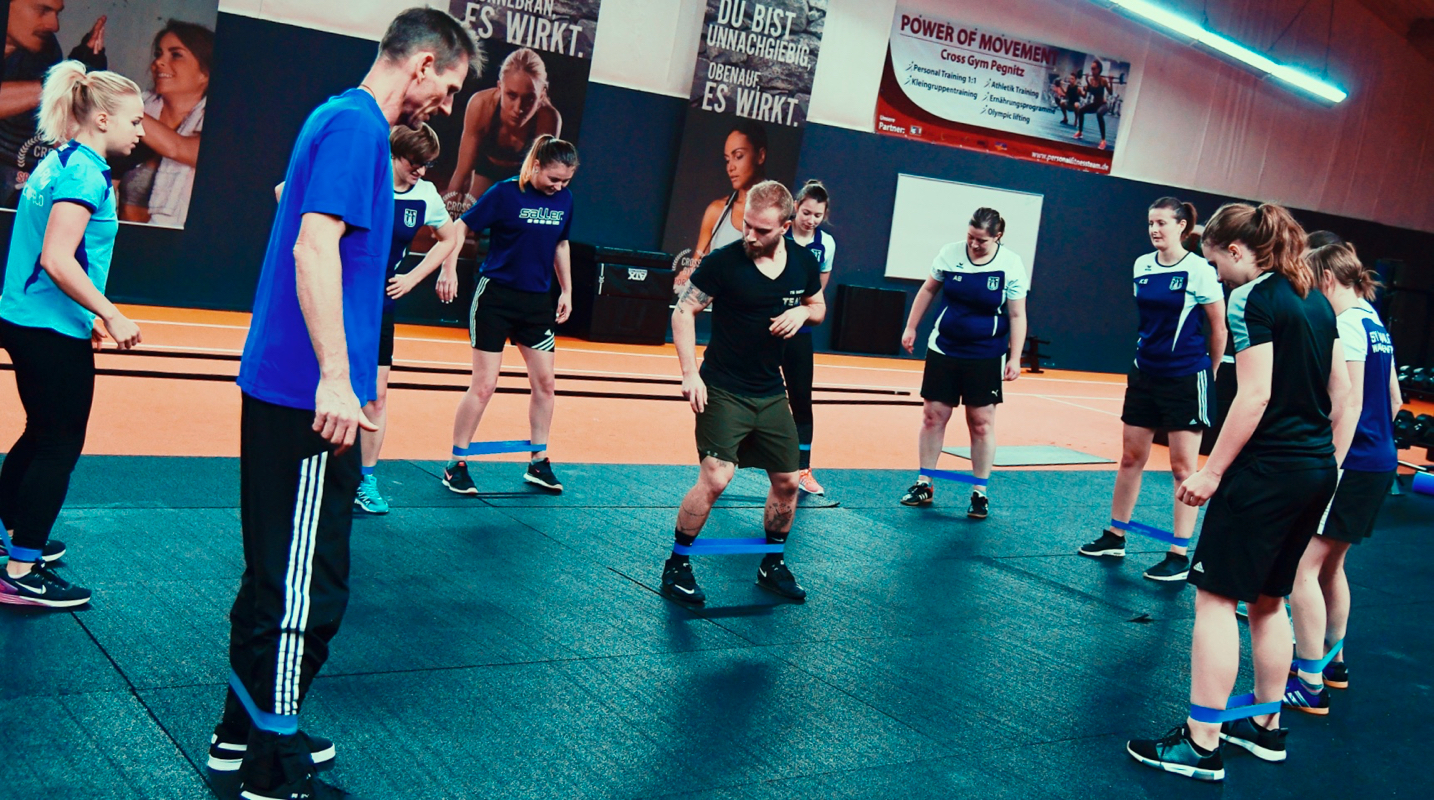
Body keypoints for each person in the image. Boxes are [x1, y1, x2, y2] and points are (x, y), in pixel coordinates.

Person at [209, 10, 476, 799]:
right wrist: (335, 376)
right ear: (422, 65)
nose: (447, 107)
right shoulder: (361, 128)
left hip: (297, 386)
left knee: (276, 578)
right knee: (304, 588)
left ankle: (242, 734)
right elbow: (313, 244)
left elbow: (295, 206)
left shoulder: (336, 117)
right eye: (450, 88)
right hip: (307, 395)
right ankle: (273, 763)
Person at [1126, 203, 1355, 782]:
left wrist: (1212, 472)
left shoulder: (1251, 298)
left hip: (1266, 474)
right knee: (1270, 600)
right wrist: (1319, 465)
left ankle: (1201, 744)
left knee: (1217, 599)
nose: (1217, 274)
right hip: (1312, 471)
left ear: (1235, 251)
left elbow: (1253, 397)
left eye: (1215, 261)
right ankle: (1265, 727)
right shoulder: (1314, 298)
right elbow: (1343, 396)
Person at [0, 61, 143, 608]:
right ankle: (20, 569)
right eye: (134, 120)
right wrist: (110, 314)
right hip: (46, 326)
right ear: (103, 118)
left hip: (29, 318)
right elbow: (59, 259)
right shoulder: (87, 172)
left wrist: (87, 317)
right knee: (59, 444)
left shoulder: (56, 159)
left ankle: (12, 535)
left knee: (41, 433)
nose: (139, 129)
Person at [662, 180, 825, 605]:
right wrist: (689, 373)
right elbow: (684, 311)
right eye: (747, 226)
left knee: (789, 481)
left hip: (770, 390)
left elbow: (819, 306)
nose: (750, 236)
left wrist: (803, 311)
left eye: (762, 230)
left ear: (786, 226)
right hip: (722, 386)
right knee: (717, 476)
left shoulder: (803, 264)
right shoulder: (725, 261)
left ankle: (772, 565)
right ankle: (676, 564)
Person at [1079, 198, 1227, 581]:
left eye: (1162, 222)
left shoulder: (1199, 270)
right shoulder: (1141, 265)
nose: (1155, 229)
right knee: (1131, 458)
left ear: (1182, 227)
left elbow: (1219, 328)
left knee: (1183, 469)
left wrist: (1206, 374)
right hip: (1144, 373)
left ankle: (1179, 554)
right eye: (1150, 223)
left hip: (1185, 377)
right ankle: (1115, 534)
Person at [1284, 238, 1400, 715]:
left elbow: (1348, 405)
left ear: (1327, 279)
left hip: (1349, 465)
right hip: (1378, 462)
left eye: (1312, 285)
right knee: (1332, 566)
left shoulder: (1348, 325)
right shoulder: (1376, 325)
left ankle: (1310, 681)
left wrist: (1327, 467)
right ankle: (1334, 663)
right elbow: (1393, 402)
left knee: (1301, 570)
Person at [439, 134, 577, 496]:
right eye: (553, 179)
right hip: (495, 297)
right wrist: (448, 269)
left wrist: (567, 289)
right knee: (484, 385)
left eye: (565, 181)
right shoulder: (504, 193)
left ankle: (538, 461)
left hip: (535, 304)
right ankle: (456, 464)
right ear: (535, 167)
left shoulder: (564, 199)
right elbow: (461, 226)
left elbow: (561, 243)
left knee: (545, 384)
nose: (558, 187)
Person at [899, 208, 1028, 519]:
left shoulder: (1010, 265)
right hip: (944, 348)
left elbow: (1016, 315)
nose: (973, 244)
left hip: (986, 354)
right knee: (933, 416)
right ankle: (924, 483)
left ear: (998, 237)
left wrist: (1014, 357)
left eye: (981, 240)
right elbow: (928, 289)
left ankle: (979, 492)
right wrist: (911, 326)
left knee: (981, 423)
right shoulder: (950, 253)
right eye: (970, 237)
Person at [2, 0, 107, 206]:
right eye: (43, 10)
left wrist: (78, 66)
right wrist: (63, 81)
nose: (54, 25)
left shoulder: (44, 49)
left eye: (56, 13)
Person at [117, 19, 213, 227]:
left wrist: (117, 102)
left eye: (176, 55)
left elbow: (177, 147)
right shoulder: (139, 103)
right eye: (158, 54)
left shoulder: (219, 120)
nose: (159, 62)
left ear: (204, 73)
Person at [448, 47, 560, 203]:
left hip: (520, 181)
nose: (519, 108)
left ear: (541, 95)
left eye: (529, 99)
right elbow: (462, 174)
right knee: (466, 212)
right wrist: (449, 218)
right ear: (500, 88)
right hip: (484, 173)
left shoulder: (548, 119)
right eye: (511, 95)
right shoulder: (481, 105)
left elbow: (540, 187)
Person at [782, 179, 837, 496]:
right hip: (767, 329)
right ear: (795, 208)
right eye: (806, 212)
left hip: (799, 332)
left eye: (818, 215)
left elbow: (818, 293)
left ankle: (803, 469)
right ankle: (727, 463)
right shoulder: (778, 233)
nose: (811, 220)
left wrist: (800, 313)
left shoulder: (826, 244)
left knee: (801, 400)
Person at [681, 119, 769, 282]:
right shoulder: (716, 210)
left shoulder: (778, 214)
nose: (731, 167)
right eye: (728, 160)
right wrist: (685, 277)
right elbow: (698, 262)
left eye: (739, 156)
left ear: (760, 155)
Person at [1073, 59, 1112, 150]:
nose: (1092, 71)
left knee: (1099, 114)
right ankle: (1080, 132)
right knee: (1081, 110)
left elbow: (1110, 93)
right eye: (1091, 69)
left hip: (1103, 105)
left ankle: (1103, 140)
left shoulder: (1103, 81)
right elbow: (1085, 95)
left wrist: (1110, 82)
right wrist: (1080, 92)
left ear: (1099, 69)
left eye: (1094, 69)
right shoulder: (1090, 80)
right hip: (1095, 104)